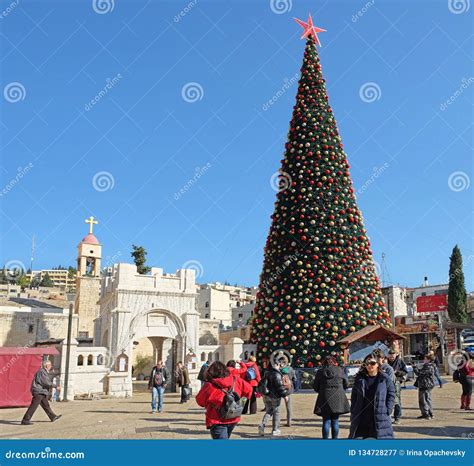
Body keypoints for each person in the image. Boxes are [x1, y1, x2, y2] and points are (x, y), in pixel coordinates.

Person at [195, 361, 252, 439]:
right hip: (233, 416)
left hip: (217, 419)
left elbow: (200, 401)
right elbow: (249, 390)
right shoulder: (236, 380)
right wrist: (240, 401)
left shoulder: (209, 385)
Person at [349, 353, 395, 439]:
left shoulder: (385, 378)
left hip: (380, 414)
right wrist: (353, 409)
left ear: (377, 364)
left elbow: (391, 394)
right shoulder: (359, 379)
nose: (369, 365)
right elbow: (354, 395)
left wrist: (388, 409)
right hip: (362, 415)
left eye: (372, 363)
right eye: (367, 363)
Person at [313, 356, 350, 439]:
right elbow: (346, 384)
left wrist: (322, 391)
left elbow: (315, 387)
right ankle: (335, 440)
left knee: (326, 420)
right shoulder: (340, 370)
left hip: (324, 397)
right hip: (338, 397)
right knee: (335, 421)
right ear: (334, 362)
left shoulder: (320, 372)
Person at [21, 360, 61, 425]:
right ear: (46, 365)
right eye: (50, 365)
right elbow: (46, 382)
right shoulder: (42, 372)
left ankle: (52, 417)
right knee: (33, 406)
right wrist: (56, 386)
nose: (51, 366)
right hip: (39, 391)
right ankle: (25, 420)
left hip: (41, 391)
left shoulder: (43, 372)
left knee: (46, 405)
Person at [257, 360, 290, 436]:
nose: (280, 366)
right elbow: (279, 386)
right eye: (279, 364)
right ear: (276, 365)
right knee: (276, 412)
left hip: (266, 395)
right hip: (274, 396)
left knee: (269, 411)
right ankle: (275, 430)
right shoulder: (277, 374)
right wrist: (285, 395)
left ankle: (262, 425)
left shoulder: (266, 373)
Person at [414, 354, 439, 419]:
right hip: (428, 384)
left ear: (428, 360)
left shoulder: (428, 366)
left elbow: (419, 373)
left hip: (425, 384)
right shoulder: (432, 366)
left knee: (423, 399)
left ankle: (426, 413)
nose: (423, 360)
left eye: (425, 359)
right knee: (428, 399)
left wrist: (414, 368)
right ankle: (430, 413)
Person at [387, 349, 408, 424]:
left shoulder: (400, 361)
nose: (392, 358)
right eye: (390, 356)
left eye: (393, 356)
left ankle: (397, 417)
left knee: (397, 400)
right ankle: (387, 417)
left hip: (396, 382)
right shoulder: (386, 361)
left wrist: (397, 372)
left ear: (396, 355)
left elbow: (405, 371)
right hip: (386, 382)